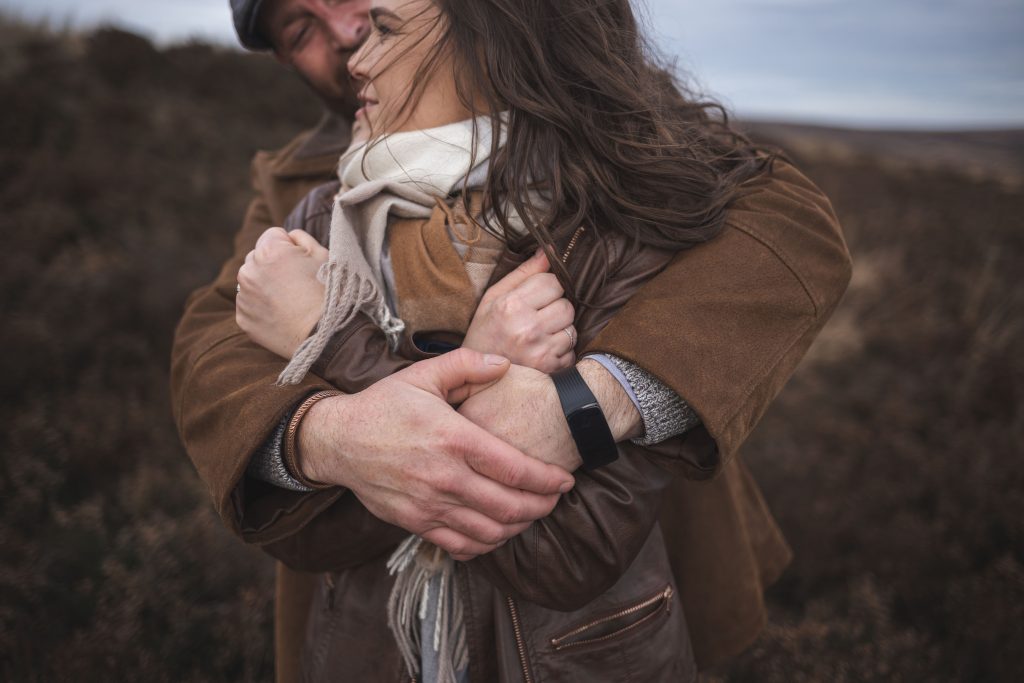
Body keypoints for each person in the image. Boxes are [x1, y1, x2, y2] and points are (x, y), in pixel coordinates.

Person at [170, 0, 852, 680]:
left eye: (368, 14)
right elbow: (218, 344)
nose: (349, 40)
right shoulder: (314, 202)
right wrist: (337, 434)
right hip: (372, 635)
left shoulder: (608, 177)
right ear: (285, 60)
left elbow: (787, 219)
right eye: (301, 30)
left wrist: (585, 401)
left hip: (594, 632)